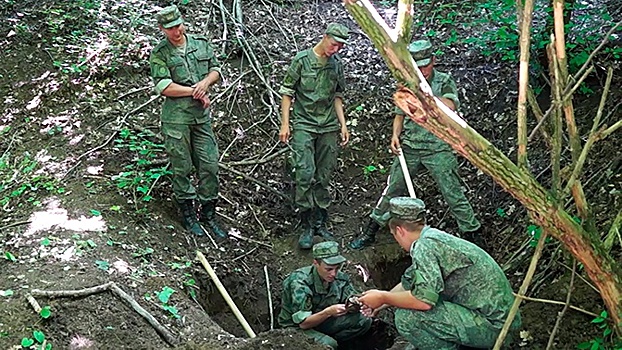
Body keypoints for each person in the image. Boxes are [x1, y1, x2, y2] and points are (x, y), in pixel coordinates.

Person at [350, 39, 483, 250]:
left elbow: (450, 105)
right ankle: (371, 230)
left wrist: (425, 96)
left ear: (434, 61)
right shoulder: (407, 82)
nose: (423, 70)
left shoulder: (443, 81)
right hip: (411, 147)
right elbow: (400, 113)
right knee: (393, 188)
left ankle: (474, 238)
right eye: (418, 66)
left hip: (438, 148)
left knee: (453, 193)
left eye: (426, 65)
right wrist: (395, 135)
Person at [358, 197, 520, 349]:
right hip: (505, 320)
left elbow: (423, 301)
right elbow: (409, 282)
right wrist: (382, 302)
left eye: (395, 236)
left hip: (497, 329)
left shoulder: (424, 248)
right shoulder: (433, 239)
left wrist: (382, 297)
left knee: (407, 318)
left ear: (400, 231)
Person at [149, 5, 227, 239]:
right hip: (177, 120)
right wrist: (196, 91)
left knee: (209, 165)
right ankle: (188, 215)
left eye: (179, 25)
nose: (177, 31)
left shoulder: (200, 43)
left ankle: (208, 214)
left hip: (201, 119)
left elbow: (215, 70)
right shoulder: (160, 53)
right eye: (171, 28)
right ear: (162, 29)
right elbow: (164, 87)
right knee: (181, 167)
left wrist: (205, 84)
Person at [279, 23, 351, 249]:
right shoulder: (301, 61)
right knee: (304, 172)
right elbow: (287, 93)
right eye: (334, 43)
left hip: (328, 125)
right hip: (305, 124)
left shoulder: (336, 65)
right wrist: (285, 123)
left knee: (324, 174)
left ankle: (320, 222)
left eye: (340, 46)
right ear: (325, 37)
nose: (336, 49)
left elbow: (338, 95)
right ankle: (306, 224)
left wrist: (343, 124)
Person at [278, 241, 372, 349]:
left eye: (337, 268)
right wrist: (328, 312)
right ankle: (329, 343)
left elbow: (351, 296)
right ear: (316, 263)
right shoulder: (299, 283)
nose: (333, 274)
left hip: (323, 321)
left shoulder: (340, 278)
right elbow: (303, 324)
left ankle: (338, 344)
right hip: (297, 328)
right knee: (329, 344)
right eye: (328, 269)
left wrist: (358, 305)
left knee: (364, 321)